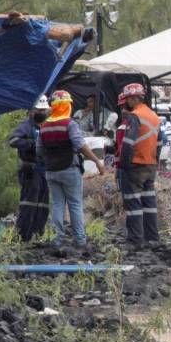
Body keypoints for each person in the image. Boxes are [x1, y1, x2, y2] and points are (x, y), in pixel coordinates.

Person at [37, 90, 102, 248]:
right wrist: (97, 161)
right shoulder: (69, 124)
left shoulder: (44, 126)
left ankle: (57, 239)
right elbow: (80, 145)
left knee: (57, 204)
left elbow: (39, 151)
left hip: (51, 171)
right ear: (66, 106)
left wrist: (49, 160)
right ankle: (80, 240)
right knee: (75, 204)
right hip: (69, 169)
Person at [116, 82, 161, 250]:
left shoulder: (135, 116)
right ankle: (152, 239)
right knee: (149, 204)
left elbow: (128, 143)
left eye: (128, 99)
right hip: (150, 165)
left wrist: (124, 165)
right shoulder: (153, 115)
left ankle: (135, 241)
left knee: (133, 203)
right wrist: (154, 160)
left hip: (135, 165)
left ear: (134, 98)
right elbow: (159, 142)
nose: (127, 102)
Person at [8, 96, 51, 242]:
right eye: (38, 110)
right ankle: (23, 235)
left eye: (43, 110)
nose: (41, 113)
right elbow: (13, 141)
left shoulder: (46, 126)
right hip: (30, 170)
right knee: (29, 202)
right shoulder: (26, 126)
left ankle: (38, 234)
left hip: (45, 170)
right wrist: (33, 143)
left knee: (43, 204)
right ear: (32, 111)